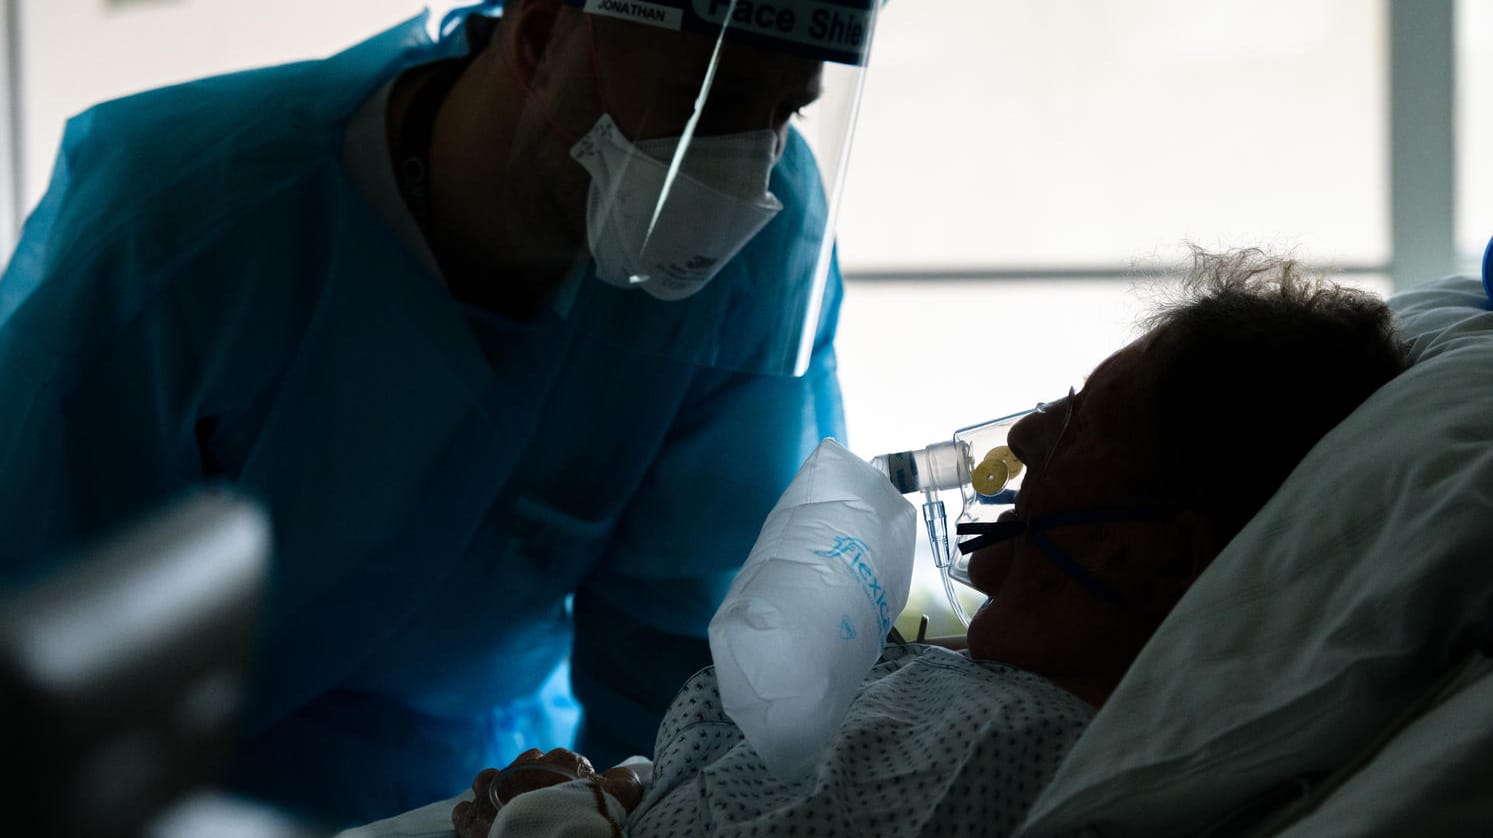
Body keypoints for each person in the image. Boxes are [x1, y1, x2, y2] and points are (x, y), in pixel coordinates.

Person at [0, 0, 883, 825]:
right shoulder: (180, 222)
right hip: (172, 792)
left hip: (485, 787)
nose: (748, 171)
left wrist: (623, 815)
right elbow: (46, 639)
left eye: (786, 113)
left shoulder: (760, 247)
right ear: (540, 37)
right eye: (712, 99)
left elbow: (690, 666)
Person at [439, 248, 1408, 837]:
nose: (1022, 436)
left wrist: (559, 815)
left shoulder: (998, 745)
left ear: (1147, 557)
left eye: (1080, 425)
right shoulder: (964, 683)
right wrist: (602, 785)